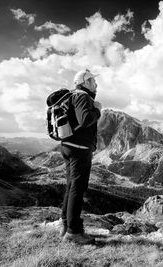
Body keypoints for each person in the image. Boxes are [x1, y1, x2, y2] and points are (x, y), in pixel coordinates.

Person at [60, 69, 102, 245]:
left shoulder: (71, 96)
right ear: (84, 83)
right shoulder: (83, 97)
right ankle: (73, 233)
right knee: (78, 189)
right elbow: (85, 120)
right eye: (92, 81)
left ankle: (66, 225)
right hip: (79, 149)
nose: (96, 84)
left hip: (68, 146)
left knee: (71, 187)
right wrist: (98, 110)